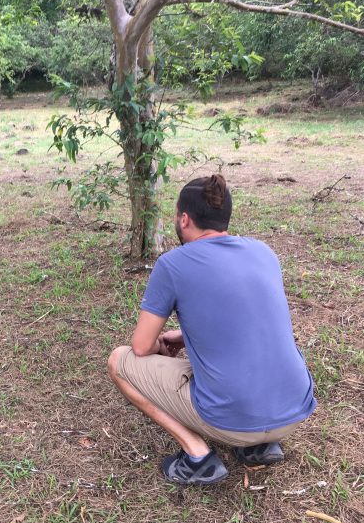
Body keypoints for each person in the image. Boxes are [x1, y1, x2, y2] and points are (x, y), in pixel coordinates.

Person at [108, 174, 317, 485]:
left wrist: (159, 348)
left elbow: (140, 346)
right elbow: (251, 321)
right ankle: (259, 447)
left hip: (233, 421)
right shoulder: (264, 252)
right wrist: (184, 337)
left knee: (118, 360)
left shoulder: (173, 264)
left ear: (184, 218)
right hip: (293, 411)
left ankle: (197, 456)